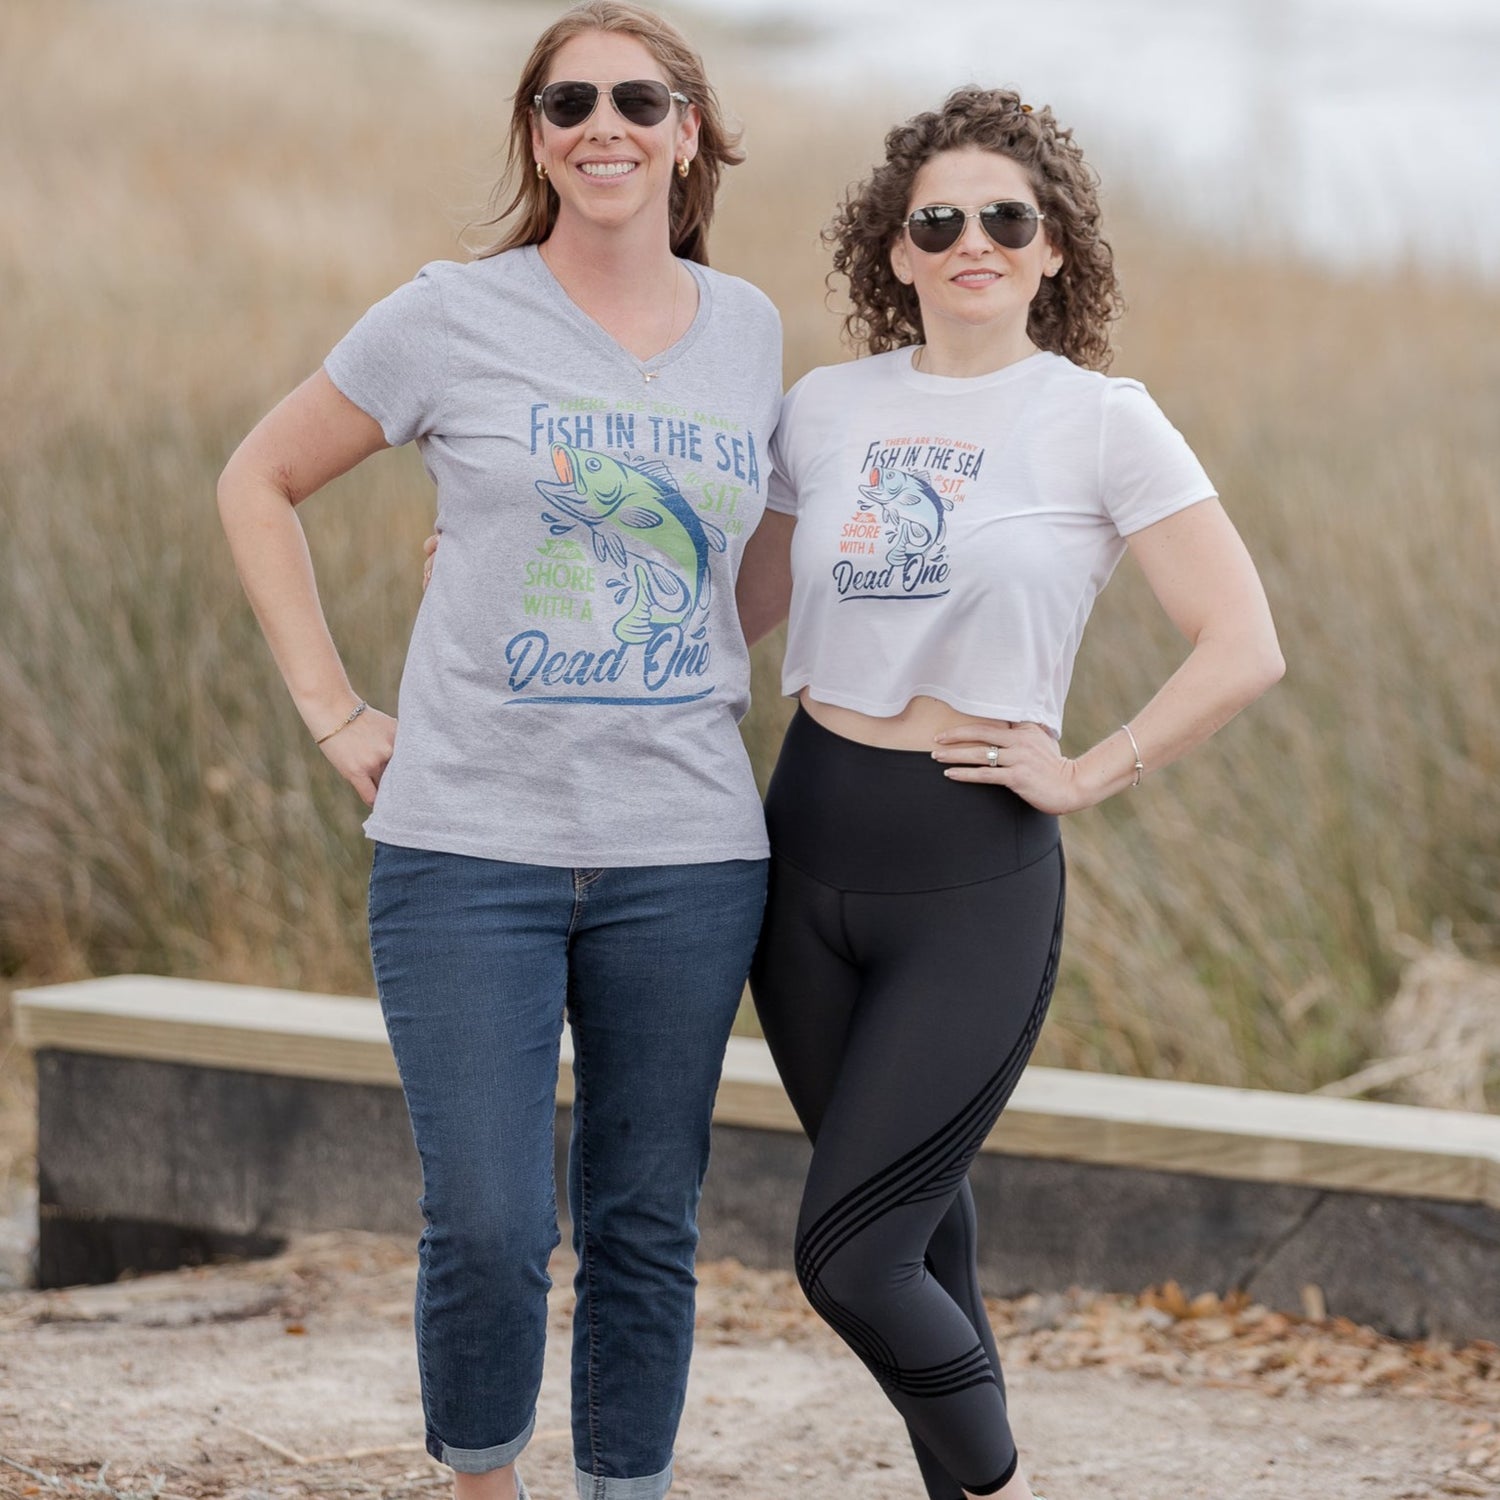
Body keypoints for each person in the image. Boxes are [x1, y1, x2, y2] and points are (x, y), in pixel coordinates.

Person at [215, 5, 782, 1498]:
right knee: (483, 1217)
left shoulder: (754, 332)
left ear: (691, 134)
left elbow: (752, 572)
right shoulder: (447, 314)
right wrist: (336, 709)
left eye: (639, 99)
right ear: (535, 136)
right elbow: (257, 480)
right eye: (567, 100)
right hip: (466, 845)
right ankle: (483, 1479)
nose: (605, 123)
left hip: (689, 853)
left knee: (648, 1219)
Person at [735, 88, 1285, 1500]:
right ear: (897, 252)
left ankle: (998, 1484)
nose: (971, 238)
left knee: (847, 1253)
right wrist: (506, 548)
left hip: (972, 866)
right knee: (921, 1236)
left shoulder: (1102, 421)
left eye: (1005, 218)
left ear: (1052, 252)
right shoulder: (826, 407)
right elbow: (735, 608)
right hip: (802, 850)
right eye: (938, 219)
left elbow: (1243, 643)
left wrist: (1094, 768)